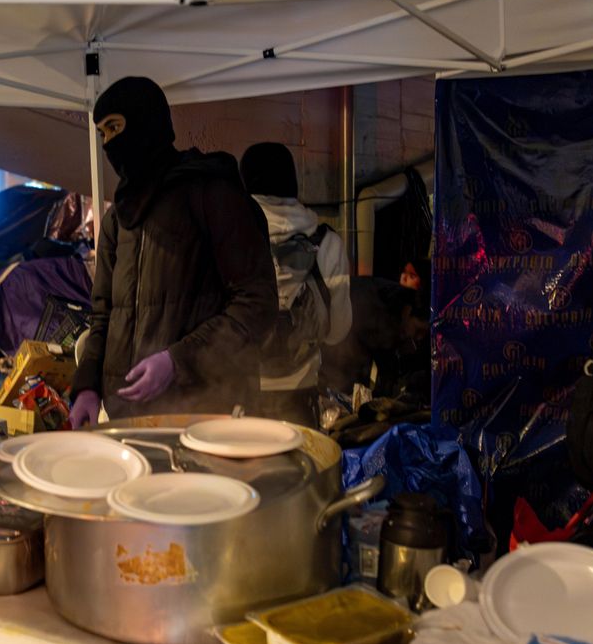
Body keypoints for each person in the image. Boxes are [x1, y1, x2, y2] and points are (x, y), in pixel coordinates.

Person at [69, 77, 278, 425]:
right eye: (102, 133)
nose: (109, 143)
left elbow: (256, 304)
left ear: (146, 122)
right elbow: (103, 313)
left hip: (203, 414)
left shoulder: (211, 195)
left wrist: (177, 362)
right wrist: (88, 385)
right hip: (128, 417)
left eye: (115, 128)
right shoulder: (117, 219)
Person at [241, 142, 352, 427]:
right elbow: (337, 332)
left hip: (243, 396)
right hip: (301, 397)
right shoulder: (328, 243)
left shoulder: (231, 241)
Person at [320, 276, 429, 400]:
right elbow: (356, 349)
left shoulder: (395, 314)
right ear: (408, 311)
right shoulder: (378, 303)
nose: (419, 338)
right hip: (332, 350)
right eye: (419, 330)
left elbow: (385, 359)